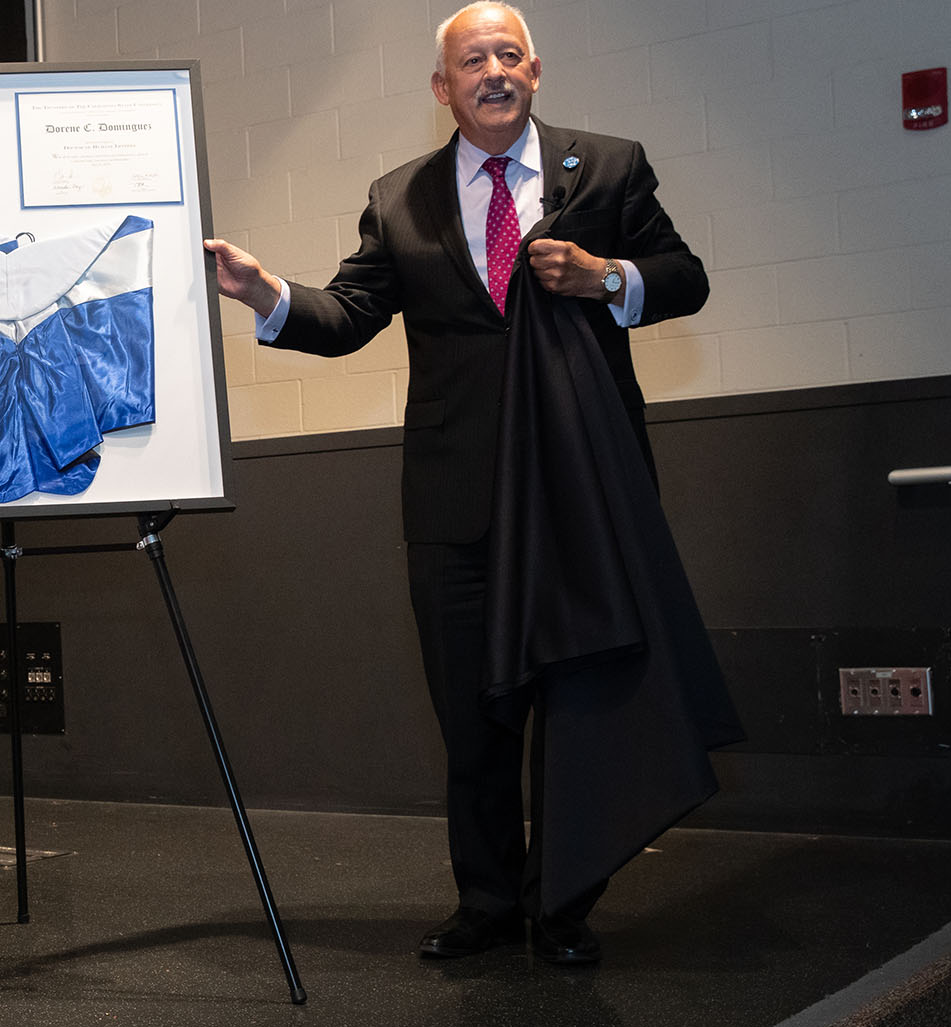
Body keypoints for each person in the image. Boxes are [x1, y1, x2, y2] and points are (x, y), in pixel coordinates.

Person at [206, 2, 714, 965]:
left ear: (535, 70)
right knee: (471, 708)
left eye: (507, 54)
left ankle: (562, 906)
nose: (492, 71)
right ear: (442, 88)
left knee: (576, 700)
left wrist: (609, 278)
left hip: (576, 494)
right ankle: (485, 903)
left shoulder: (608, 165)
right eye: (471, 60)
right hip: (456, 500)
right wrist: (266, 293)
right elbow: (351, 312)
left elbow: (683, 278)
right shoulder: (401, 195)